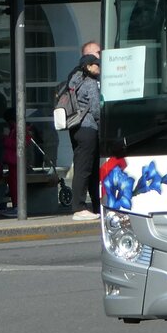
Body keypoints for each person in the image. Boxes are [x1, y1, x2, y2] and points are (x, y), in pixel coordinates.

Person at [70, 53, 102, 221]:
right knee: (87, 169)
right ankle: (79, 208)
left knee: (82, 167)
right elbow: (96, 109)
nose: (99, 67)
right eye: (96, 64)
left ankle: (95, 206)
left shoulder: (74, 80)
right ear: (88, 66)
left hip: (75, 128)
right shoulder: (90, 83)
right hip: (88, 128)